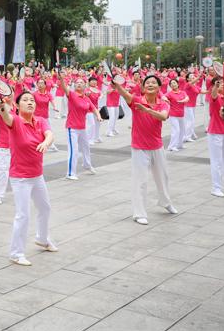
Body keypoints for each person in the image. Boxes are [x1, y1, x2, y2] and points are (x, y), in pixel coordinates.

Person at [0, 91, 56, 266]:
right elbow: (5, 115)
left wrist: (46, 142)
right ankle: (16, 253)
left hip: (37, 175)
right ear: (17, 105)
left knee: (45, 208)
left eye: (32, 100)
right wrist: (2, 106)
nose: (30, 102)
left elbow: (50, 134)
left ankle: (42, 239)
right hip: (20, 177)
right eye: (25, 100)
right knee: (23, 215)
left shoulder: (41, 121)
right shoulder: (15, 121)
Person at [112, 75, 179, 225]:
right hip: (139, 147)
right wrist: (117, 85)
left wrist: (147, 110)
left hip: (157, 145)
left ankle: (165, 202)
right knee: (140, 180)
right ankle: (139, 213)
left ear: (159, 88)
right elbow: (123, 92)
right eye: (147, 82)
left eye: (154, 82)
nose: (150, 84)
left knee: (163, 177)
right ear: (143, 87)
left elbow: (163, 117)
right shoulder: (136, 100)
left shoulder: (163, 103)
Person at [57, 72, 99, 180]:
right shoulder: (72, 94)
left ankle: (87, 165)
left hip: (82, 128)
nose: (79, 84)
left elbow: (93, 108)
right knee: (74, 151)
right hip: (72, 128)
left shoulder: (86, 98)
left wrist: (98, 116)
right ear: (74, 85)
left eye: (81, 83)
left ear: (85, 86)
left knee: (86, 148)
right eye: (77, 83)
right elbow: (64, 88)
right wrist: (62, 79)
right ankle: (70, 173)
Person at [164, 78, 189, 152]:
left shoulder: (182, 92)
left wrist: (183, 101)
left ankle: (180, 144)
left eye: (174, 83)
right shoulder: (170, 93)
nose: (173, 84)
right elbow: (164, 97)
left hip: (181, 114)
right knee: (176, 130)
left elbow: (187, 98)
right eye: (171, 84)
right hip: (173, 115)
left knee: (182, 130)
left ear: (178, 84)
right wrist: (166, 100)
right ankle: (171, 146)